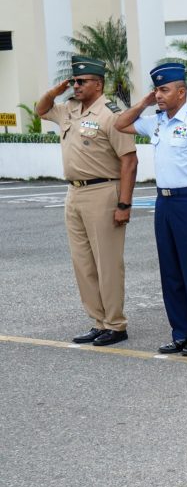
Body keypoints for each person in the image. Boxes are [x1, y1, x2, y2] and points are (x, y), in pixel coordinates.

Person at [115, 63, 187, 357]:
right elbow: (120, 124)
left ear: (182, 92)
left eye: (164, 89)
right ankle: (180, 332)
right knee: (171, 272)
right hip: (164, 202)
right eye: (156, 89)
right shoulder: (156, 122)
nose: (159, 95)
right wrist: (143, 102)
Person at [36, 55, 139, 347]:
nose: (76, 86)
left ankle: (116, 324)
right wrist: (57, 90)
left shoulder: (112, 114)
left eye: (82, 81)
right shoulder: (68, 109)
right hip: (74, 193)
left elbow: (129, 161)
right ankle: (98, 321)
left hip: (103, 192)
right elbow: (41, 109)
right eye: (74, 81)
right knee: (83, 263)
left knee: (107, 263)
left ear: (98, 83)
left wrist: (124, 204)